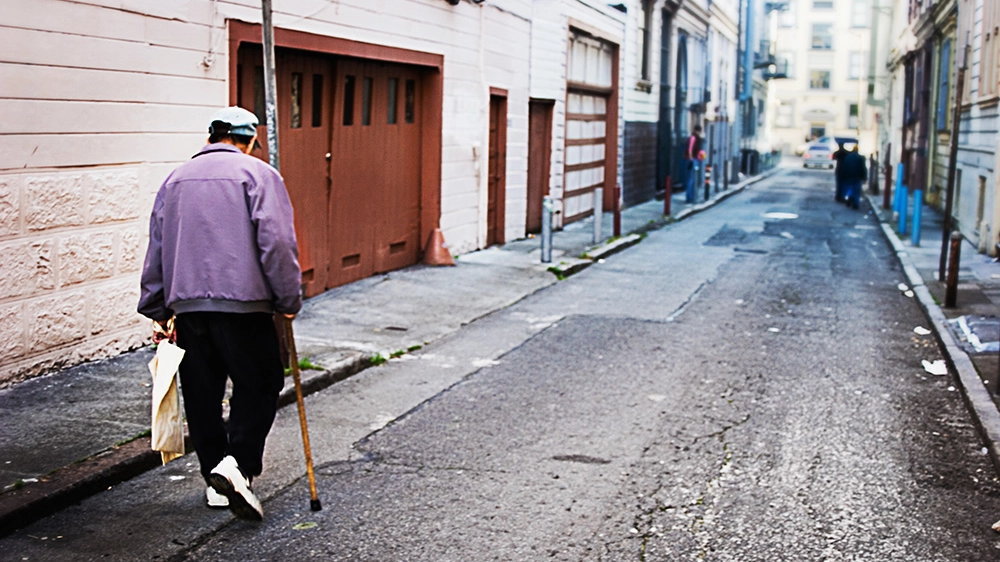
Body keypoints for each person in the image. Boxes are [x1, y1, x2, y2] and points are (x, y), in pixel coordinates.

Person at [138, 106, 302, 522]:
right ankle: (237, 464)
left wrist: (157, 307)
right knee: (261, 382)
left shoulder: (173, 180)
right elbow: (277, 243)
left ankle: (215, 475)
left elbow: (157, 245)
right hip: (245, 306)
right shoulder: (259, 175)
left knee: (203, 394)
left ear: (211, 136)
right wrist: (288, 298)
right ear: (247, 141)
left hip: (189, 308)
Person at [685, 125, 705, 203]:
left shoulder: (695, 137)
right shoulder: (693, 138)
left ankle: (691, 196)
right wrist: (691, 159)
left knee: (693, 178)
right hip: (693, 159)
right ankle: (689, 197)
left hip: (695, 158)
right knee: (691, 178)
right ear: (698, 130)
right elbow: (690, 149)